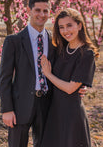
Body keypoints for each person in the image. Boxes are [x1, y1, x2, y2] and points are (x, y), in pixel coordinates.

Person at [0, 0, 86, 147]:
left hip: (48, 105)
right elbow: (4, 78)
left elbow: (65, 70)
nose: (41, 14)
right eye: (37, 10)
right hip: (20, 106)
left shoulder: (56, 42)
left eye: (45, 11)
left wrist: (79, 84)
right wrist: (7, 109)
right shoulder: (14, 41)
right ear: (28, 10)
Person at [40, 8, 98, 147]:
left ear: (79, 25)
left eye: (69, 25)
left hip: (71, 114)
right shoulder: (60, 49)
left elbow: (70, 88)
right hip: (54, 111)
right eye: (61, 27)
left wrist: (48, 74)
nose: (66, 31)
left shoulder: (86, 54)